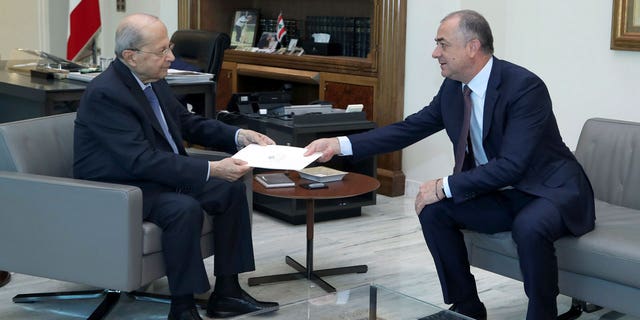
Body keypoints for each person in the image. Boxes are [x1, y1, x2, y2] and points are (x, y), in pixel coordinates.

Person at [304, 9, 595, 320]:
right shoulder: (454, 87)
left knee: (529, 226)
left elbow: (513, 165)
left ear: (472, 47)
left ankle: (542, 315)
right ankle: (466, 307)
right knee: (433, 211)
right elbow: (410, 128)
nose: (434, 53)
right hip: (503, 190)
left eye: (443, 45)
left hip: (549, 189)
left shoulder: (524, 87)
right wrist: (340, 145)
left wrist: (443, 186)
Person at [74, 13, 278, 320]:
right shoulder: (107, 94)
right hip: (120, 186)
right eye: (161, 52)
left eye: (169, 47)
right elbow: (138, 160)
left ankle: (227, 293)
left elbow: (187, 123)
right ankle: (182, 308)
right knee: (182, 209)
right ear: (130, 56)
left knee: (231, 191)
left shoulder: (151, 81)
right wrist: (211, 169)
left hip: (158, 174)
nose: (171, 57)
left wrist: (239, 136)